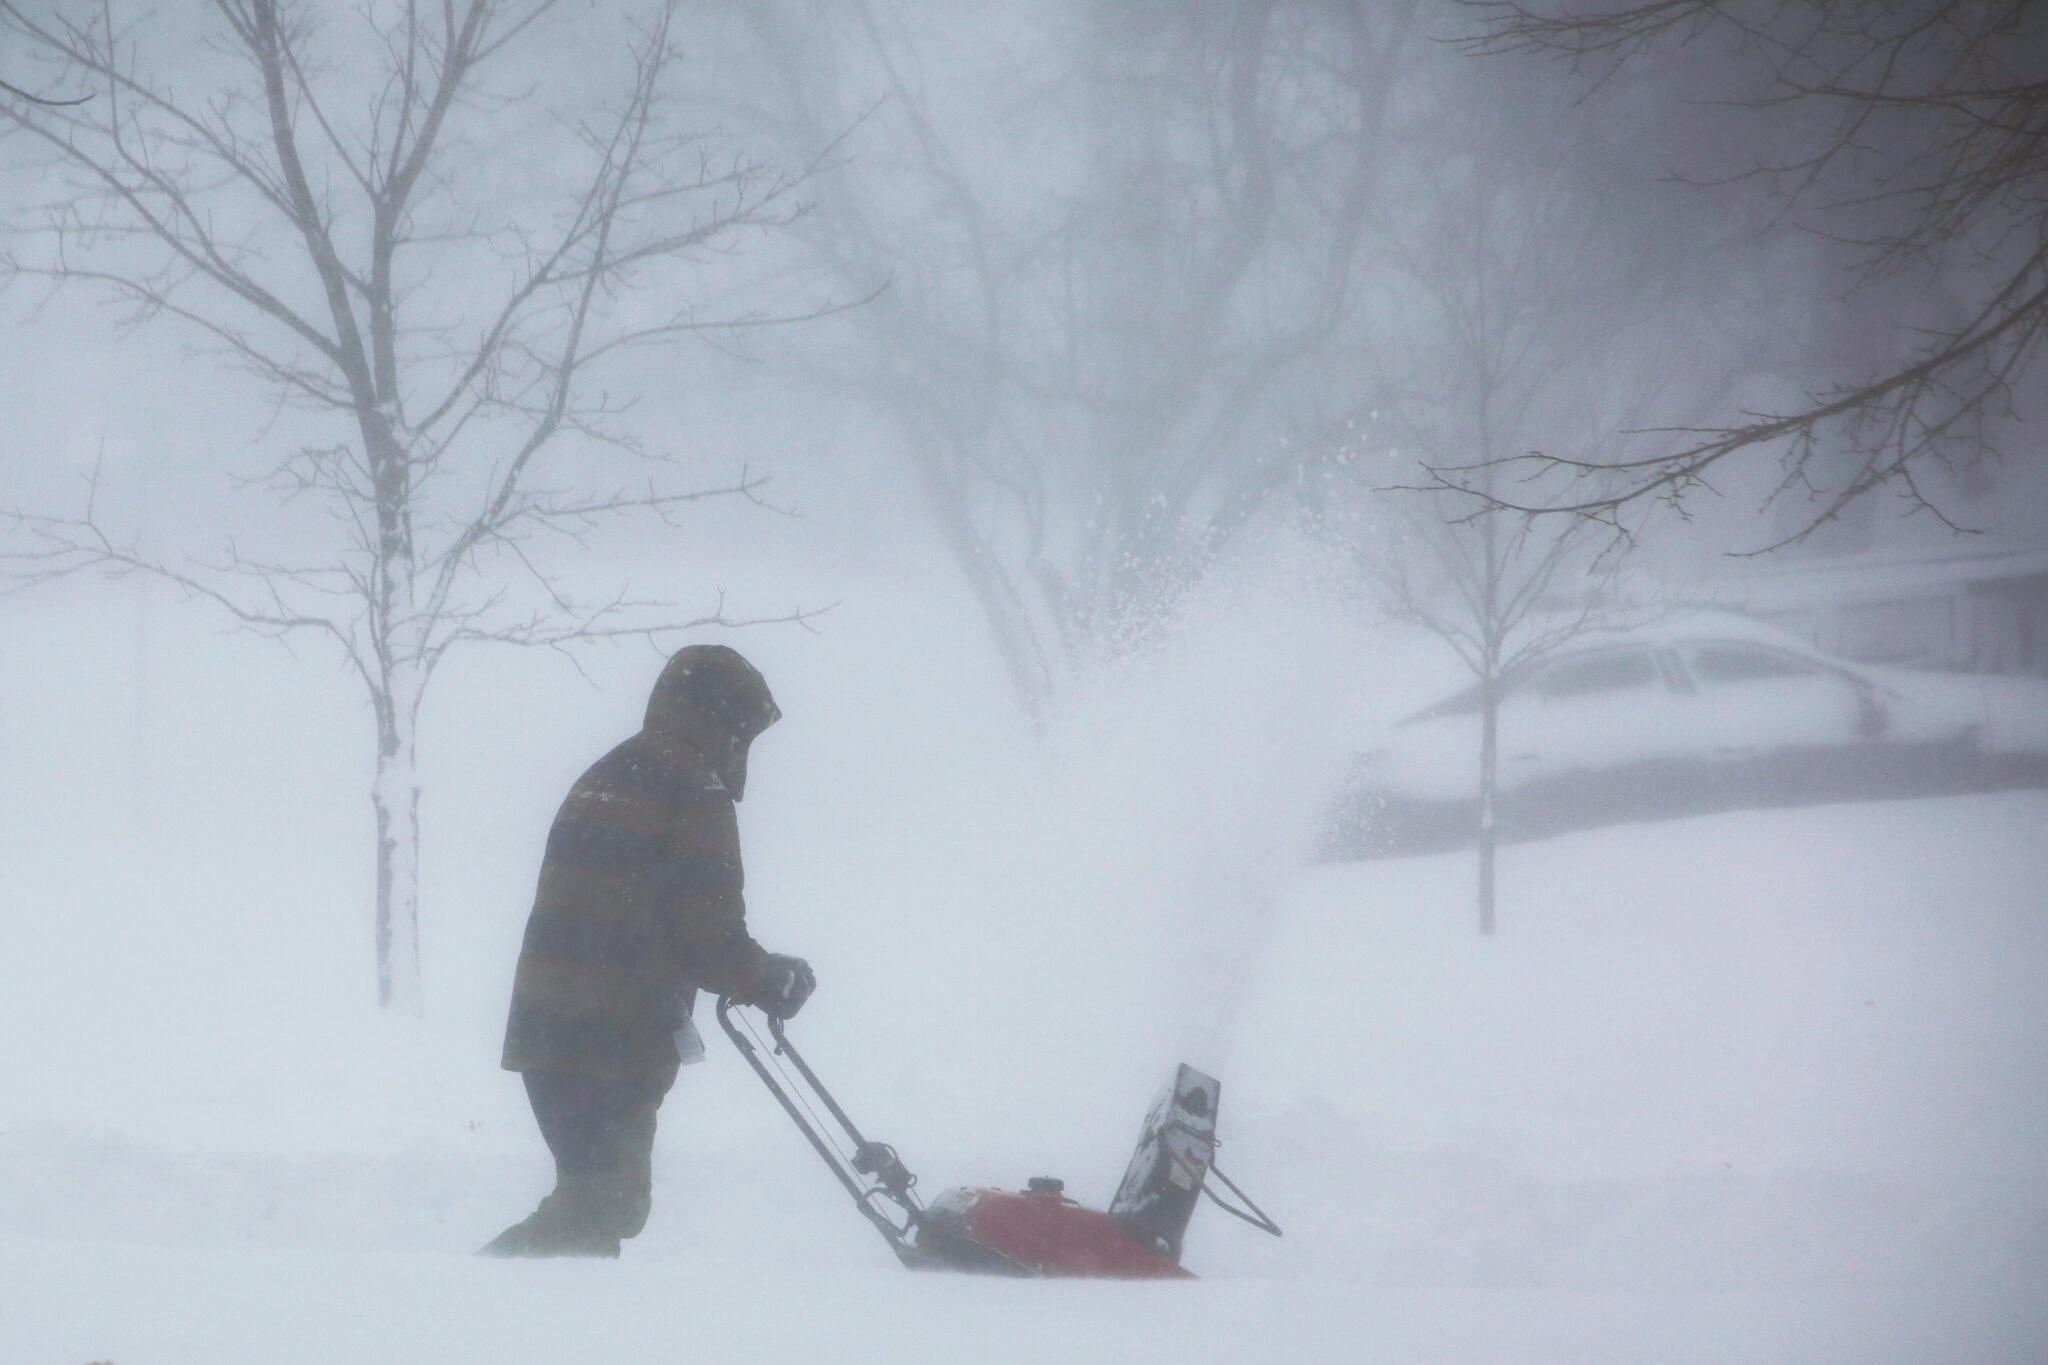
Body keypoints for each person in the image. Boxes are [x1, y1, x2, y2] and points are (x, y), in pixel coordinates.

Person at [480, 644, 815, 1258]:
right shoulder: (692, 787)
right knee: (602, 1205)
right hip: (609, 1035)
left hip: (552, 1026)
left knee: (595, 1206)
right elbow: (708, 931)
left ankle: (538, 1326)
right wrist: (770, 980)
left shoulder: (618, 769)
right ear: (726, 724)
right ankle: (466, 1304)